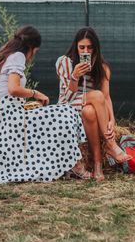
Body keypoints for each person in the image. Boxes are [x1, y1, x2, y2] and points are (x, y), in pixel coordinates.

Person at [0, 25, 86, 183]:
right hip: (15, 114)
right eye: (35, 51)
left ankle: (68, 163)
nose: (33, 55)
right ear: (31, 47)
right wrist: (35, 93)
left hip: (9, 114)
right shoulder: (18, 56)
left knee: (59, 115)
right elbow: (13, 89)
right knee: (67, 112)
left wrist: (3, 123)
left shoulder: (7, 57)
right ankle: (74, 164)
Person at [55, 27, 131, 181]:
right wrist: (75, 76)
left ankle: (97, 166)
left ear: (96, 48)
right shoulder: (64, 62)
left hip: (87, 107)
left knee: (89, 111)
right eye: (81, 47)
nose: (85, 51)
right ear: (76, 47)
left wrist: (112, 120)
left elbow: (107, 97)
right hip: (67, 106)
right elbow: (67, 96)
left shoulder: (102, 67)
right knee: (96, 95)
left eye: (89, 47)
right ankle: (110, 145)